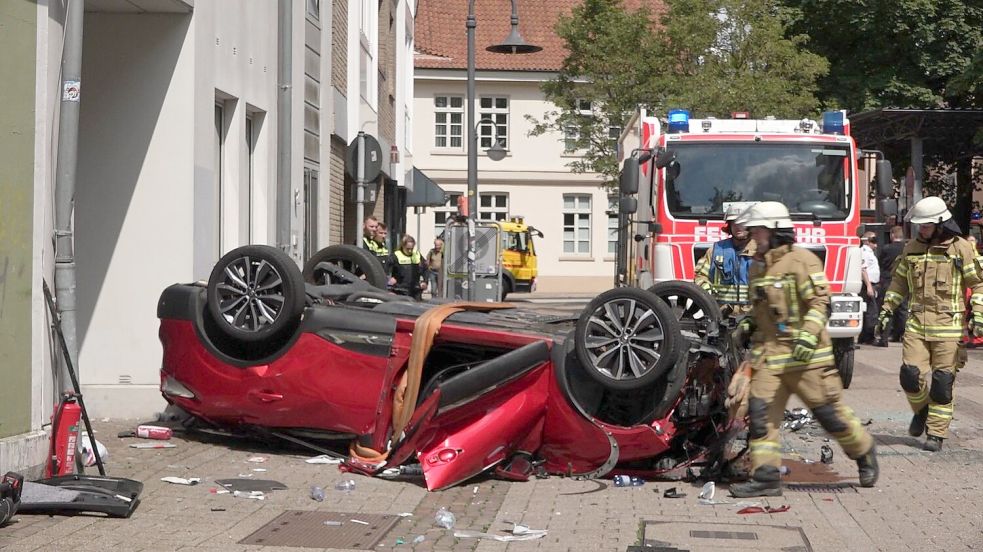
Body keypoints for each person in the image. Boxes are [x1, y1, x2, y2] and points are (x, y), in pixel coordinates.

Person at [728, 201, 877, 498]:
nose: (753, 235)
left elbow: (821, 303)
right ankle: (766, 478)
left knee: (830, 417)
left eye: (758, 230)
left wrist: (809, 335)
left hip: (806, 358)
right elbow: (762, 309)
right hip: (770, 357)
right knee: (759, 415)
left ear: (776, 231)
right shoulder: (758, 265)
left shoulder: (801, 261)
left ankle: (863, 451)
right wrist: (749, 325)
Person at [877, 196, 983, 452]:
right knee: (910, 376)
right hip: (917, 325)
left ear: (940, 224)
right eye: (919, 226)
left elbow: (978, 284)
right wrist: (886, 310)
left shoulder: (961, 249)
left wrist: (978, 314)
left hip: (949, 326)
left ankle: (936, 433)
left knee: (942, 383)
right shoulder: (912, 248)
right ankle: (921, 410)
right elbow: (899, 283)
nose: (921, 230)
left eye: (925, 225)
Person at [694, 205, 755, 315]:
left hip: (753, 316)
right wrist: (708, 292)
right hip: (721, 314)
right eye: (734, 222)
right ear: (729, 225)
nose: (738, 226)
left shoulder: (760, 251)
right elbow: (700, 276)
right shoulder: (716, 250)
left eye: (742, 222)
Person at [876, 226, 907, 345]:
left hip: (888, 280)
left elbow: (880, 263)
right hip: (902, 281)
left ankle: (884, 338)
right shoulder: (906, 249)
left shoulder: (886, 248)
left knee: (887, 308)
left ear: (892, 235)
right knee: (902, 309)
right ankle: (901, 335)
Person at [388, 235, 428, 300]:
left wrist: (425, 281)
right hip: (400, 290)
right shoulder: (395, 256)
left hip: (415, 290)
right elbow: (386, 270)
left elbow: (425, 269)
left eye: (411, 248)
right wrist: (389, 279)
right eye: (407, 248)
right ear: (403, 246)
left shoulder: (417, 255)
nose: (410, 251)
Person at [858, 232, 880, 344]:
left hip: (872, 284)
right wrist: (869, 286)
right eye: (873, 241)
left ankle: (864, 337)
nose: (875, 244)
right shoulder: (864, 252)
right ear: (866, 240)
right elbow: (863, 269)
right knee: (871, 312)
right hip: (868, 284)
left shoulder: (870, 252)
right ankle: (868, 337)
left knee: (868, 311)